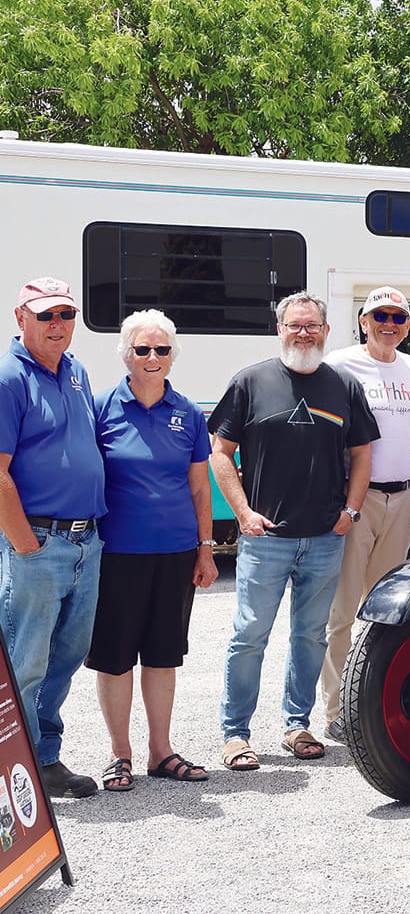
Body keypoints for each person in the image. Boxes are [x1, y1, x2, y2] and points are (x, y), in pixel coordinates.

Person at [208, 291, 378, 771]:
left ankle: (296, 725)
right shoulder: (250, 382)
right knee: (249, 636)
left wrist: (352, 511)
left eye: (312, 326)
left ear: (326, 331)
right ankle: (236, 734)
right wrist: (243, 513)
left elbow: (362, 454)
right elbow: (220, 453)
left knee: (310, 636)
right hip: (266, 540)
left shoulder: (343, 386)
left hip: (325, 538)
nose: (303, 332)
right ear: (279, 328)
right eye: (294, 325)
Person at [87, 310, 219, 791]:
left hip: (176, 552)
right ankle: (118, 754)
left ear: (172, 355)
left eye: (162, 349)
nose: (152, 357)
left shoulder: (187, 412)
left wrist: (205, 551)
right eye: (143, 349)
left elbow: (201, 490)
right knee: (115, 657)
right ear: (126, 353)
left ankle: (159, 751)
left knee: (163, 656)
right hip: (116, 552)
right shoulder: (101, 406)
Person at [0, 277, 106, 798]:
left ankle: (43, 759)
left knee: (66, 655)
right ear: (20, 318)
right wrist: (26, 546)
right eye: (45, 315)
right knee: (25, 660)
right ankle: (8, 773)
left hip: (85, 543)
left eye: (65, 314)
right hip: (38, 542)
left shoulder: (77, 371)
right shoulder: (6, 377)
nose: (57, 324)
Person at [318, 287, 410, 743]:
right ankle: (337, 708)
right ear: (363, 321)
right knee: (342, 611)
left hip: (401, 498)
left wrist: (401, 477)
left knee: (388, 609)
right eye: (379, 315)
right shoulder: (341, 365)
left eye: (398, 317)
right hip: (356, 501)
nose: (389, 323)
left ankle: (374, 696)